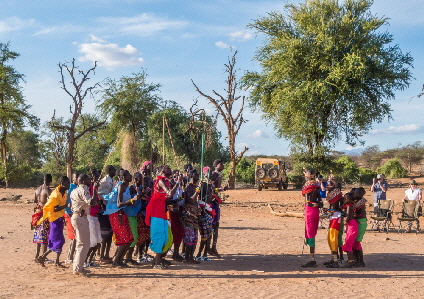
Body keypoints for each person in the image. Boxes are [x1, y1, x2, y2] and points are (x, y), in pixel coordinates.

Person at [145, 165, 180, 269]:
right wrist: (178, 183)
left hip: (161, 213)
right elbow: (169, 193)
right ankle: (156, 263)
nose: (170, 169)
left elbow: (167, 197)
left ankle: (158, 261)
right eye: (167, 168)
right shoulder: (161, 181)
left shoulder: (165, 181)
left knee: (165, 237)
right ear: (161, 171)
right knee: (159, 237)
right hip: (157, 213)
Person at [107, 170, 139, 268]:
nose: (131, 176)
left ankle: (120, 260)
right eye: (129, 175)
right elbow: (119, 204)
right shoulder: (121, 186)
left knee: (130, 238)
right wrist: (132, 200)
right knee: (124, 238)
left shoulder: (127, 187)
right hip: (116, 213)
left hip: (121, 213)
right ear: (124, 176)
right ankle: (116, 261)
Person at [36, 176, 71, 268]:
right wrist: (66, 206)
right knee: (59, 241)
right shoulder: (55, 195)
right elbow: (54, 209)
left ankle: (55, 260)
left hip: (59, 218)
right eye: (68, 183)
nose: (69, 185)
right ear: (62, 184)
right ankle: (43, 257)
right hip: (55, 219)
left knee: (56, 241)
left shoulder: (63, 192)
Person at [70, 174, 100, 276]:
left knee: (80, 244)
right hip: (81, 218)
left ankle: (77, 267)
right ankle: (78, 268)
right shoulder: (83, 190)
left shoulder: (74, 190)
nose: (90, 180)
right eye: (88, 178)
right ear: (83, 181)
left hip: (76, 216)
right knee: (84, 244)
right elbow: (92, 202)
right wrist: (95, 189)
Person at [301, 169, 323, 268]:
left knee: (310, 234)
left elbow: (308, 202)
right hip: (316, 212)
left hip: (309, 212)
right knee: (312, 233)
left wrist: (312, 205)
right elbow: (321, 203)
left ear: (307, 176)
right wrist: (316, 204)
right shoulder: (317, 187)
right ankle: (312, 258)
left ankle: (312, 259)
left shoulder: (307, 188)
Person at [181, 169, 201, 264]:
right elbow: (191, 200)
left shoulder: (194, 186)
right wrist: (197, 191)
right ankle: (187, 257)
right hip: (189, 214)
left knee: (194, 237)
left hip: (195, 214)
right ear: (191, 176)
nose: (198, 175)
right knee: (190, 236)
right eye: (196, 174)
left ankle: (191, 257)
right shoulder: (189, 187)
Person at [97, 165, 116, 263]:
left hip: (110, 210)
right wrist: (108, 199)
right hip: (105, 209)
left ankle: (107, 255)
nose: (115, 171)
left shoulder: (112, 181)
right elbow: (99, 194)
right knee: (105, 236)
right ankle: (102, 255)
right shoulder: (104, 181)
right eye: (113, 170)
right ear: (109, 171)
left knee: (109, 234)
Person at [123, 172, 143, 265]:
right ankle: (127, 257)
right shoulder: (131, 188)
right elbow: (130, 201)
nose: (140, 180)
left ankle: (129, 257)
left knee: (135, 237)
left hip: (134, 214)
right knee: (133, 237)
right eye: (138, 178)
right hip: (129, 214)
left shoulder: (139, 188)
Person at [209, 159, 227, 258]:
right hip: (211, 202)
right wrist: (220, 189)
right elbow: (210, 188)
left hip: (215, 202)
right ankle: (210, 248)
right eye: (221, 164)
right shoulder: (213, 175)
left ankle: (213, 247)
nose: (223, 165)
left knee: (216, 225)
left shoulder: (218, 175)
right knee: (213, 225)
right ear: (216, 165)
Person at [85, 169, 103, 267]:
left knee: (99, 241)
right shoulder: (88, 189)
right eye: (95, 177)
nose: (97, 179)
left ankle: (89, 260)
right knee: (93, 242)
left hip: (95, 216)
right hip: (89, 216)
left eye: (98, 177)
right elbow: (91, 202)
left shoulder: (95, 188)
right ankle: (85, 261)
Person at [32, 174, 53, 263]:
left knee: (38, 235)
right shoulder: (47, 190)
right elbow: (52, 202)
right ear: (50, 181)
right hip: (44, 215)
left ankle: (37, 255)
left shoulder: (37, 190)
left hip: (37, 215)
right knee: (45, 236)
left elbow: (34, 203)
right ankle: (43, 256)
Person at [323, 180, 343, 268]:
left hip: (336, 217)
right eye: (327, 185)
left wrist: (327, 210)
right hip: (334, 217)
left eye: (329, 185)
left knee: (333, 238)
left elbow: (334, 209)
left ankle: (335, 261)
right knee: (330, 238)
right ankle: (333, 258)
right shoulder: (334, 194)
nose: (327, 186)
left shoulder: (335, 195)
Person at [64, 172, 79, 264]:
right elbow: (66, 203)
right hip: (70, 214)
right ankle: (69, 257)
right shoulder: (71, 188)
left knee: (76, 236)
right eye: (75, 177)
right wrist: (69, 214)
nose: (77, 179)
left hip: (74, 214)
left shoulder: (76, 188)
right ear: (73, 178)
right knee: (73, 236)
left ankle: (73, 256)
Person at [340, 192, 358, 268]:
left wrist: (345, 222)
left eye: (346, 198)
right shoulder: (348, 206)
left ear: (350, 200)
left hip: (351, 225)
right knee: (348, 242)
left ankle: (350, 261)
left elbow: (347, 216)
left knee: (348, 243)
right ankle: (351, 260)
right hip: (351, 225)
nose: (344, 199)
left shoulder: (349, 207)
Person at [353, 187, 367, 267]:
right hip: (359, 222)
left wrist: (353, 217)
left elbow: (362, 215)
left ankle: (361, 261)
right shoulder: (358, 201)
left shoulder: (361, 203)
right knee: (355, 242)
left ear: (361, 194)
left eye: (357, 193)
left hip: (361, 222)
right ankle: (357, 260)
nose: (355, 194)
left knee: (357, 242)